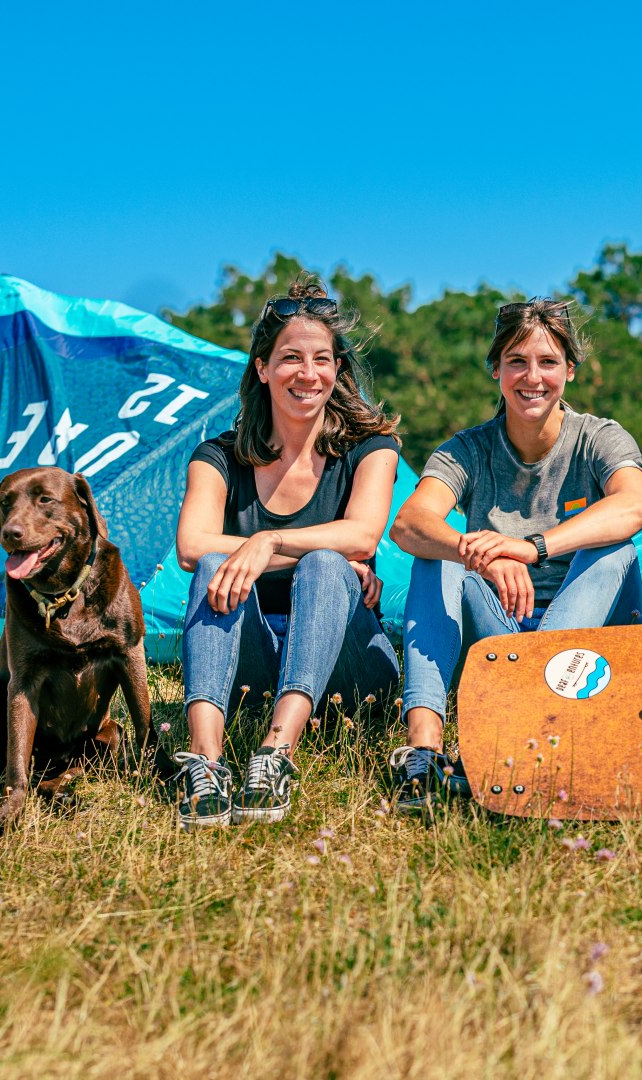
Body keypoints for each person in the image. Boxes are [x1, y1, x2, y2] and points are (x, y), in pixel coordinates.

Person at [388, 298, 642, 811]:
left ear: (570, 372)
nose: (533, 376)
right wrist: (481, 555)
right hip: (502, 634)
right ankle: (423, 753)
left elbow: (635, 505)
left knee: (615, 548)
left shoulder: (599, 436)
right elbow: (409, 523)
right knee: (435, 555)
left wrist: (528, 549)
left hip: (582, 645)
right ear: (496, 371)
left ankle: (530, 722)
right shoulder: (468, 449)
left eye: (548, 362)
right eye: (517, 361)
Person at [171, 276, 402, 829]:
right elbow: (192, 545)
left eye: (322, 359)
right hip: (254, 659)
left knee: (327, 565)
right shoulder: (219, 455)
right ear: (262, 368)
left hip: (350, 674)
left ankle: (276, 754)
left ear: (337, 370)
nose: (308, 373)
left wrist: (269, 541)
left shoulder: (372, 448)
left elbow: (362, 536)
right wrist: (323, 549)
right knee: (211, 567)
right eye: (290, 358)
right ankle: (205, 763)